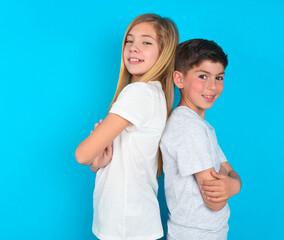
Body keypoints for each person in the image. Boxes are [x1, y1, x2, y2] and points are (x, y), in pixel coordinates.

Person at [75, 13, 179, 240]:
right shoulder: (153, 94)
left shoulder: (139, 93)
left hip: (126, 223)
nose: (133, 48)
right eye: (129, 41)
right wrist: (98, 162)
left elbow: (82, 155)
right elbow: (98, 161)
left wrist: (91, 156)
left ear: (164, 53)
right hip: (130, 220)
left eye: (146, 42)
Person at [160, 39, 242, 240]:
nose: (212, 86)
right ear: (179, 79)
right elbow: (215, 201)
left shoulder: (201, 126)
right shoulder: (188, 127)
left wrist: (233, 184)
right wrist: (233, 184)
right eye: (203, 76)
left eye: (219, 77)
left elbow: (229, 171)